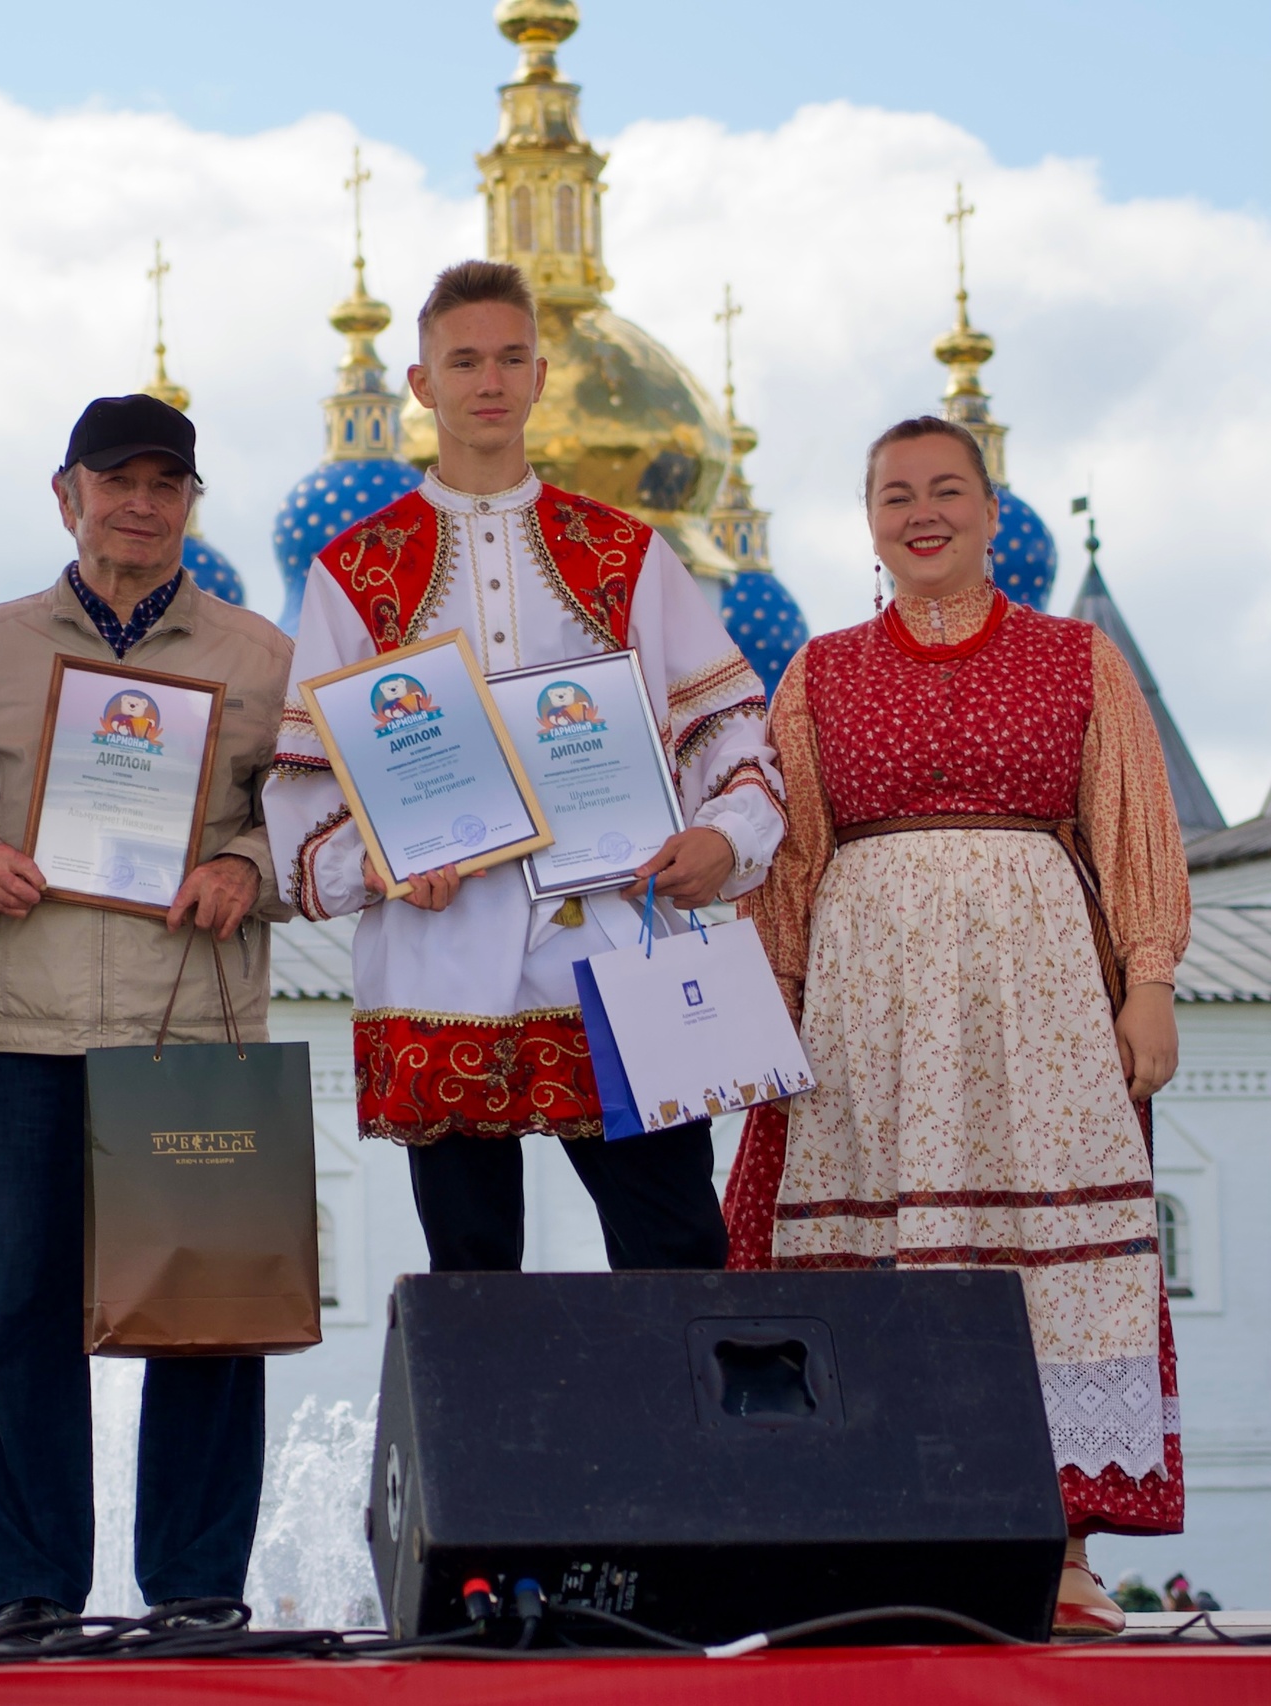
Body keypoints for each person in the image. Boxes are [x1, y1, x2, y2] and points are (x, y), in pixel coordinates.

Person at [722, 416, 1188, 1638]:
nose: (920, 512)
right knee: (877, 1255)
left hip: (1034, 1004)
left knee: (1039, 1264)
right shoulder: (817, 671)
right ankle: (886, 1532)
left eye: (945, 490)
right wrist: (768, 1019)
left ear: (990, 511)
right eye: (894, 494)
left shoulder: (1077, 658)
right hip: (869, 1012)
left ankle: (1062, 1546)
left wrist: (1148, 979)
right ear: (868, 520)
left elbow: (1133, 825)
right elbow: (792, 863)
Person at [263, 260, 785, 1275]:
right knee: (470, 1265)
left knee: (675, 1246)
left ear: (542, 375)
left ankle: (682, 1440)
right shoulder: (359, 571)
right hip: (441, 953)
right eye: (464, 360)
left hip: (622, 943)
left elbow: (732, 730)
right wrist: (377, 862)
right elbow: (302, 784)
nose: (488, 380)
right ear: (422, 384)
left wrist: (723, 837)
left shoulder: (624, 553)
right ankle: (481, 1440)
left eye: (509, 357)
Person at [0, 393, 294, 1651]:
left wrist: (246, 863)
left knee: (208, 1309)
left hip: (191, 1024)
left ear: (191, 501)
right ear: (65, 492)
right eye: (115, 480)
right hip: (25, 1024)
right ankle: (31, 1589)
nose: (140, 503)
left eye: (166, 483)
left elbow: (304, 822)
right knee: (17, 1306)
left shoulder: (258, 654)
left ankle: (195, 1581)